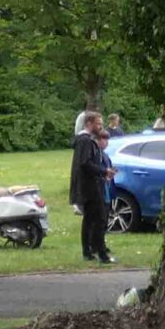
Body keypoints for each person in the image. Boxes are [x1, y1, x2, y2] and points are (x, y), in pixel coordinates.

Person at [71, 110, 114, 263]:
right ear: (89, 123)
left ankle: (88, 252)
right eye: (98, 124)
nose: (100, 127)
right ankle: (101, 254)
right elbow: (86, 163)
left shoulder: (85, 140)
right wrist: (104, 171)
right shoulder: (85, 141)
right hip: (90, 187)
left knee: (89, 220)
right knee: (99, 219)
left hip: (88, 186)